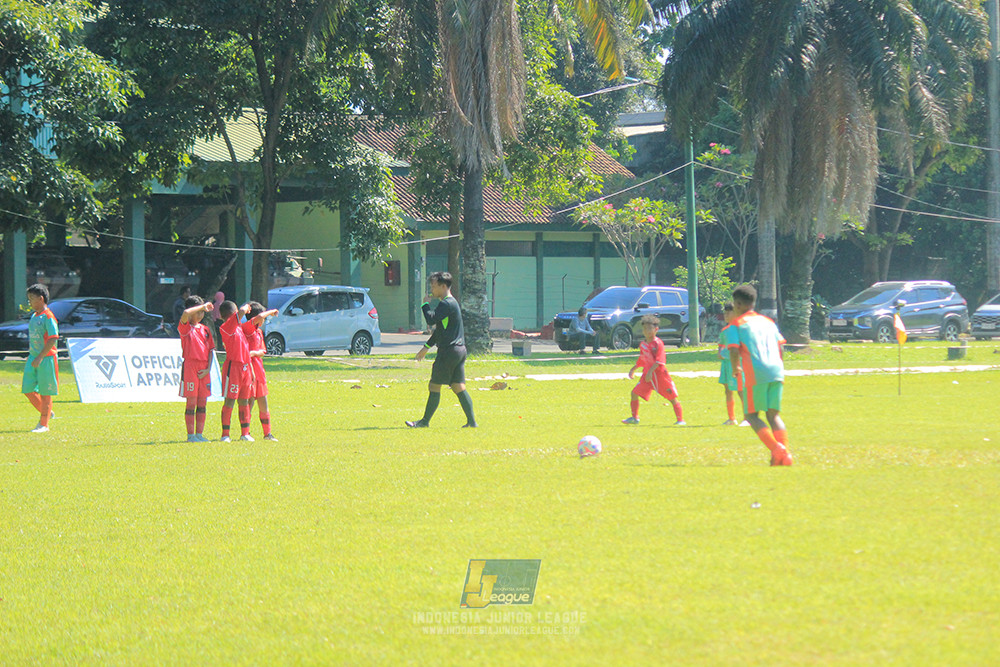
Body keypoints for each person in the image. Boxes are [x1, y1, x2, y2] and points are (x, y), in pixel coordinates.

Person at [727, 284, 793, 466]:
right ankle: (786, 455)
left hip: (755, 372)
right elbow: (780, 347)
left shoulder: (736, 325)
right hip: (777, 370)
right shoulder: (768, 322)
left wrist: (735, 368)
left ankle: (777, 449)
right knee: (773, 415)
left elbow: (734, 349)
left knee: (751, 415)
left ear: (738, 304)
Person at [406, 271, 477, 428]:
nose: (432, 290)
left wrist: (425, 305)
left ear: (443, 286)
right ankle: (472, 423)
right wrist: (426, 348)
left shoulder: (446, 304)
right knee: (458, 386)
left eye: (434, 286)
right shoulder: (451, 303)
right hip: (459, 350)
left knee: (434, 386)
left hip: (449, 352)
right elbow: (439, 331)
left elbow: (430, 319)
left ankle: (424, 422)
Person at [622, 314, 685, 426]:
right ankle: (634, 418)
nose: (647, 331)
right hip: (647, 376)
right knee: (634, 393)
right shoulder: (643, 344)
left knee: (672, 397)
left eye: (650, 328)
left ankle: (680, 420)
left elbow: (660, 361)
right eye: (645, 328)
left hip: (660, 376)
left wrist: (651, 371)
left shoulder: (658, 343)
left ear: (656, 329)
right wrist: (634, 368)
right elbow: (642, 359)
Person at [177, 295, 215, 442]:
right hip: (190, 367)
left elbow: (211, 351)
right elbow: (186, 314)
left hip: (204, 368)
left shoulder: (205, 330)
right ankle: (190, 435)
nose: (200, 314)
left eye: (202, 312)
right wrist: (202, 306)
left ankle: (199, 434)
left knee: (202, 402)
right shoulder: (185, 328)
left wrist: (208, 369)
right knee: (191, 402)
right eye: (198, 311)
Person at [22, 283, 58, 433]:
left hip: (46, 359)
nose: (29, 302)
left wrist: (40, 357)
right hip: (33, 357)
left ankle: (44, 425)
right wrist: (33, 356)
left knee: (45, 392)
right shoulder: (34, 316)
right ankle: (48, 412)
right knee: (28, 389)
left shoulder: (48, 317)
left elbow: (53, 338)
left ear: (41, 299)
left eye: (31, 298)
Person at [218, 300, 255, 442]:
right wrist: (245, 307)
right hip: (233, 368)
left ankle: (245, 433)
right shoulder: (226, 327)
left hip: (244, 367)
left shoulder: (239, 328)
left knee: (244, 400)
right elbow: (241, 312)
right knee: (230, 400)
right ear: (233, 313)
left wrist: (250, 369)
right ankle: (225, 434)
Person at [242, 301, 280, 441]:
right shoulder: (247, 328)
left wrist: (255, 353)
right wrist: (271, 311)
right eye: (263, 317)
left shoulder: (259, 332)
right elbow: (258, 317)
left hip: (259, 370)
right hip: (249, 370)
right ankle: (245, 433)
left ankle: (267, 433)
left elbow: (263, 351)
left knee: (263, 400)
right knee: (249, 401)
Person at [718, 303, 742, 425]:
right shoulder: (725, 331)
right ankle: (731, 418)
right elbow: (721, 344)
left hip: (737, 363)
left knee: (741, 390)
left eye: (729, 312)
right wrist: (720, 352)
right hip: (726, 364)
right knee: (727, 390)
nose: (726, 315)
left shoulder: (740, 330)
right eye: (725, 313)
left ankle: (747, 418)